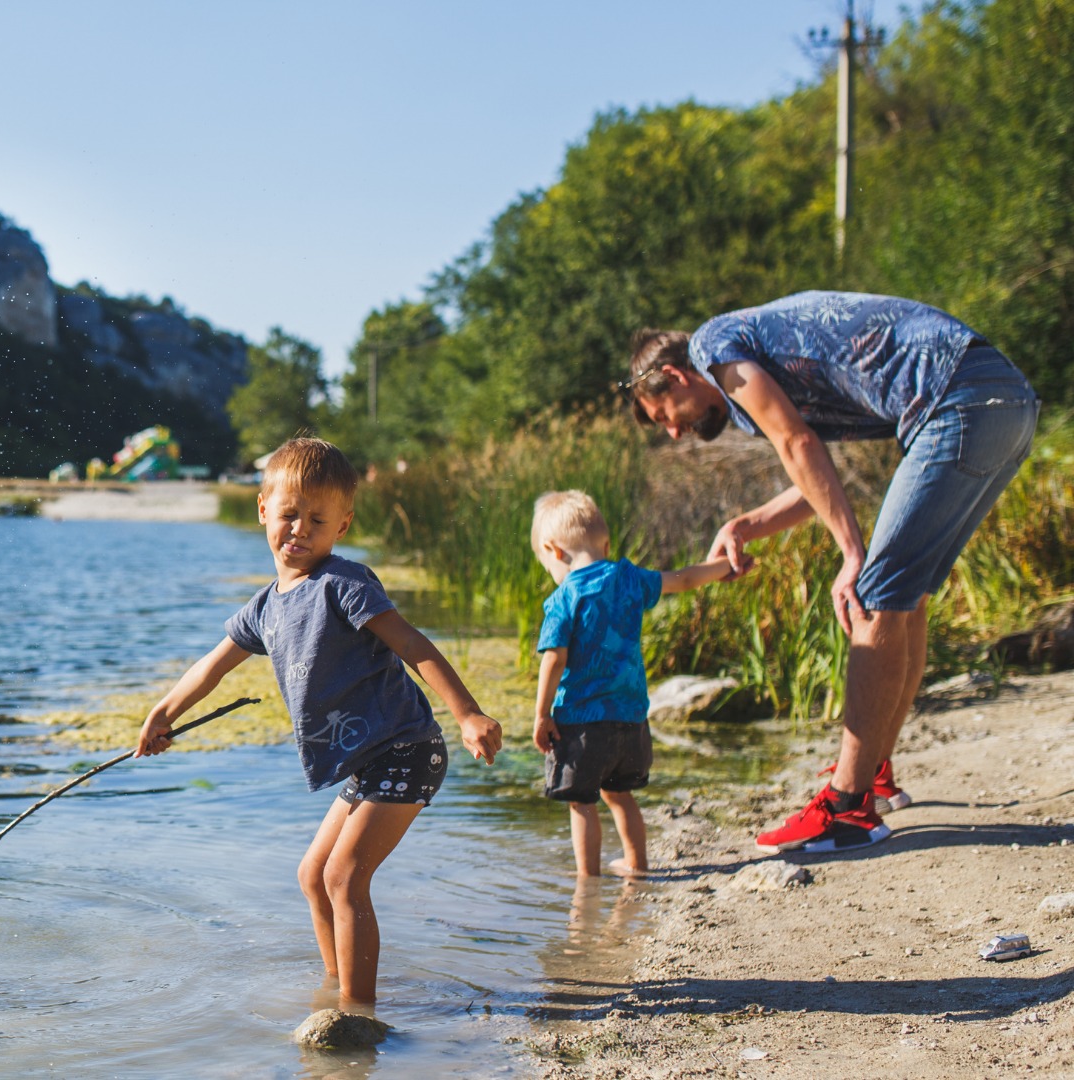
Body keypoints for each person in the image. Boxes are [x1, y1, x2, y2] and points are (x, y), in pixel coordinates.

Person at [625, 290, 1039, 854]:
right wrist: (747, 524)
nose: (674, 433)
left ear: (675, 377)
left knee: (873, 594)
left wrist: (852, 554)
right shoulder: (750, 378)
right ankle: (875, 777)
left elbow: (796, 444)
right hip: (1006, 399)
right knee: (905, 594)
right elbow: (816, 470)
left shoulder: (712, 346)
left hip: (956, 398)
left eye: (664, 418)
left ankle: (847, 806)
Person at [135, 437, 502, 1004]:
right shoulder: (264, 607)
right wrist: (165, 712)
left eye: (317, 519)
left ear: (343, 525)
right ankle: (336, 988)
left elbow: (412, 644)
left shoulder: (344, 584)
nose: (299, 529)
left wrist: (468, 713)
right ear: (263, 510)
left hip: (406, 751)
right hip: (367, 761)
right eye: (288, 515)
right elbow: (213, 666)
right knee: (313, 875)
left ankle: (359, 1011)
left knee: (344, 878)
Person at [531, 489, 751, 877]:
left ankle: (588, 882)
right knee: (620, 795)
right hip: (632, 720)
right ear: (606, 543)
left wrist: (542, 714)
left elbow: (554, 658)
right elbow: (683, 581)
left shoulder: (565, 596)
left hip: (582, 722)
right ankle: (637, 864)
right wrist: (723, 568)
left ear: (554, 550)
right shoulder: (630, 580)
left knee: (581, 802)